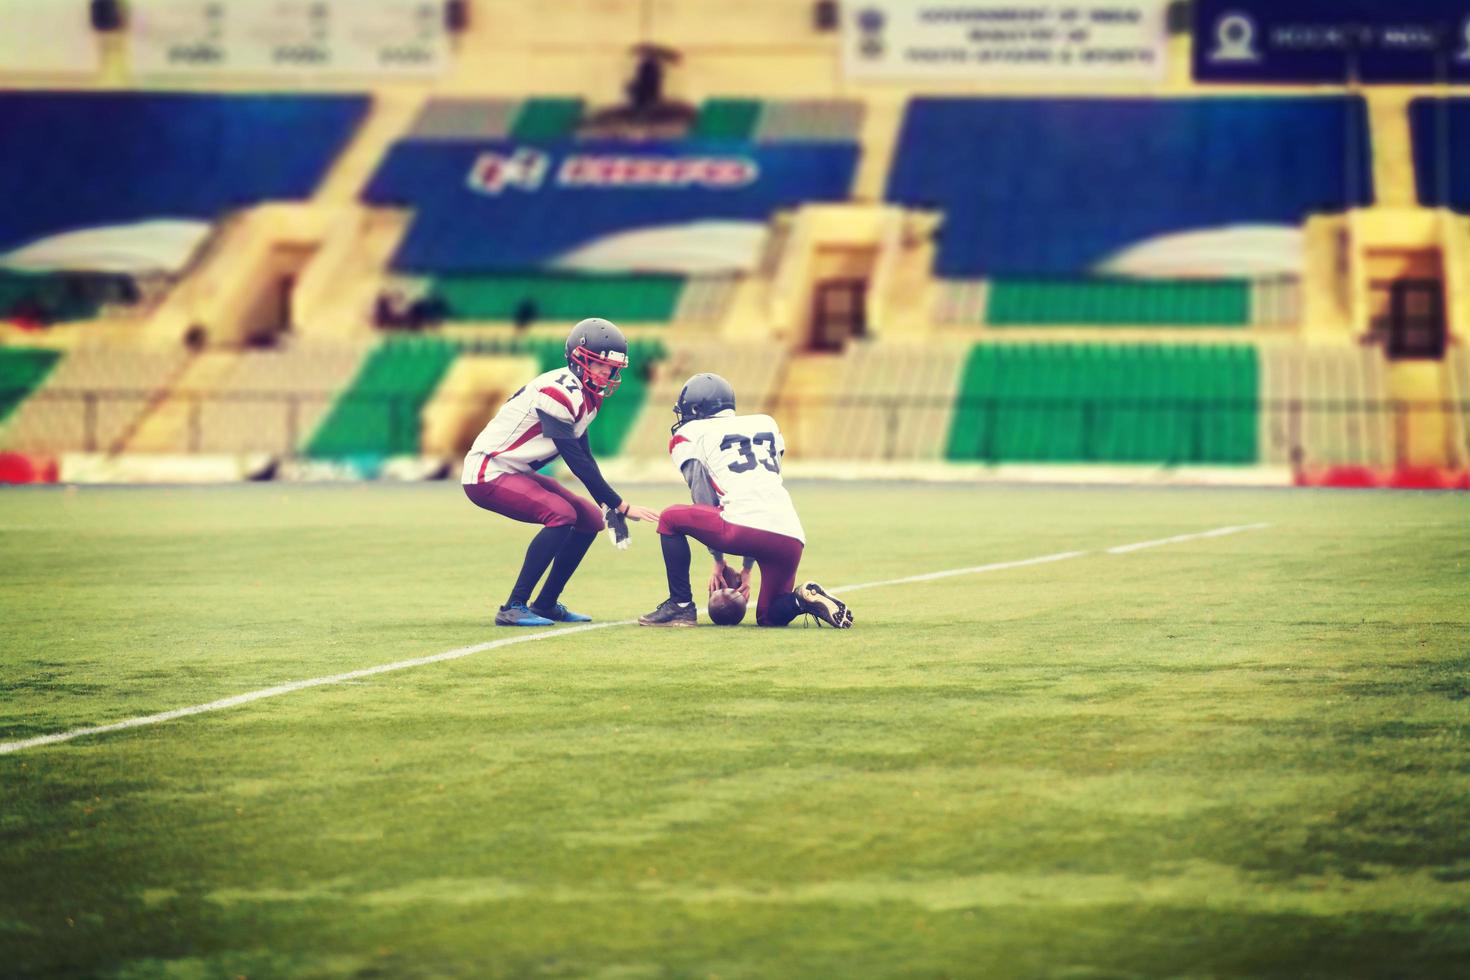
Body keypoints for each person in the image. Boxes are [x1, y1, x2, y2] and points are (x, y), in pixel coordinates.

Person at [463, 318, 659, 626]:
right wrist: (621, 504)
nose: (608, 373)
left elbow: (585, 456)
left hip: (515, 472)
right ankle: (513, 605)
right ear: (579, 360)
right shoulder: (559, 390)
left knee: (590, 519)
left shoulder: (586, 395)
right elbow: (574, 460)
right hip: (488, 471)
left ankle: (546, 603)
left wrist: (607, 506)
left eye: (612, 368)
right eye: (601, 365)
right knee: (561, 514)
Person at [639, 373, 854, 629]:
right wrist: (747, 569)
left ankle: (681, 606)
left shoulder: (692, 433)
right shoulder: (766, 423)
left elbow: (703, 498)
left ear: (695, 409)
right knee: (769, 616)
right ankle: (801, 600)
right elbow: (756, 489)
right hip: (790, 535)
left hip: (741, 527)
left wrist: (718, 561)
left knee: (670, 518)